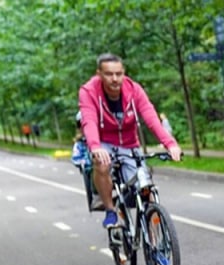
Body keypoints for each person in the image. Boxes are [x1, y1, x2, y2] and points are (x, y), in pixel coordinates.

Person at [78, 53, 182, 228]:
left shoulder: (134, 90)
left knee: (144, 185)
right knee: (101, 164)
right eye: (109, 74)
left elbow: (151, 117)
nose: (115, 79)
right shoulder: (89, 92)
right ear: (99, 74)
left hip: (129, 144)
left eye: (119, 74)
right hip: (104, 143)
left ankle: (154, 234)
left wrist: (170, 143)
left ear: (123, 72)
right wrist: (95, 147)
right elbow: (89, 121)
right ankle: (111, 210)